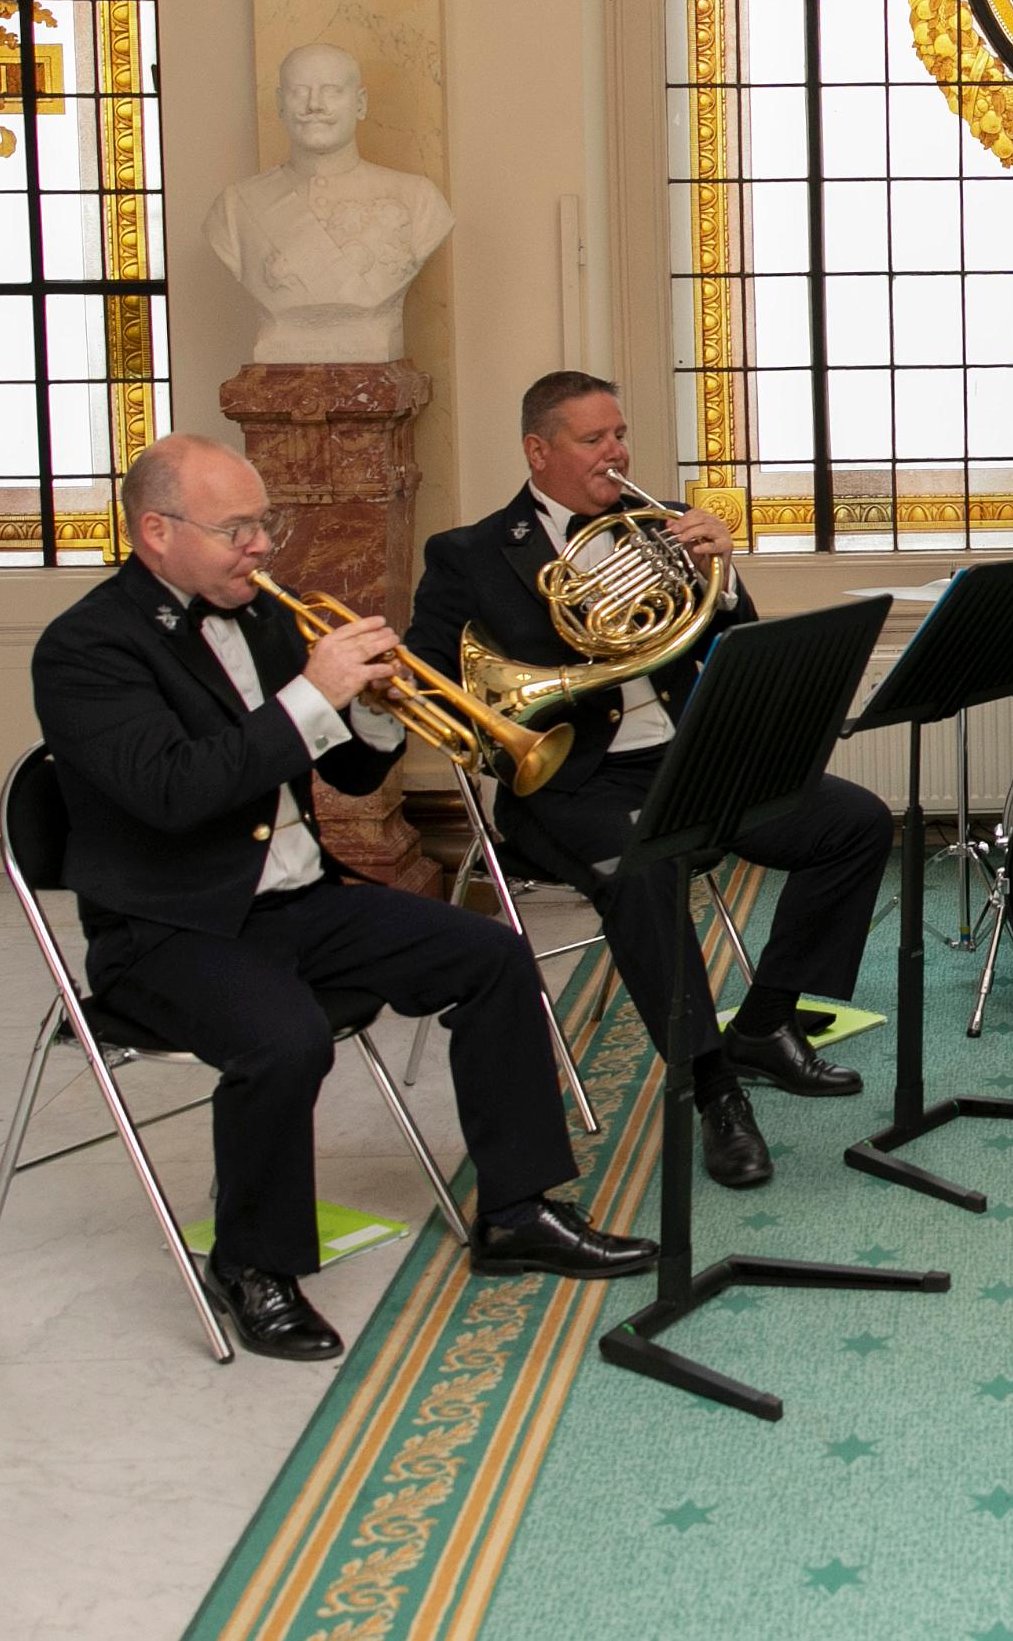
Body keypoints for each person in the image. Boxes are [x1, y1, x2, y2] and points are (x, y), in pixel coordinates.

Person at [32, 435, 655, 1362]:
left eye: (265, 524)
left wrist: (369, 702)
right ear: (155, 531)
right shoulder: (85, 647)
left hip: (298, 900)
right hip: (168, 926)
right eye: (237, 528)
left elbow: (356, 775)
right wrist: (310, 698)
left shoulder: (261, 617)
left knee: (489, 955)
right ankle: (254, 1265)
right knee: (283, 1041)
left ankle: (518, 1210)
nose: (261, 547)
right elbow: (175, 793)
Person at [410, 373, 894, 1193]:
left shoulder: (658, 526)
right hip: (570, 779)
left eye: (620, 433)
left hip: (689, 758)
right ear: (539, 449)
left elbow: (732, 645)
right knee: (645, 868)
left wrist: (727, 573)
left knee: (856, 821)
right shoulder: (469, 554)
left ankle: (767, 1020)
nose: (617, 451)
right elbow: (432, 685)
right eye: (594, 438)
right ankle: (714, 1088)